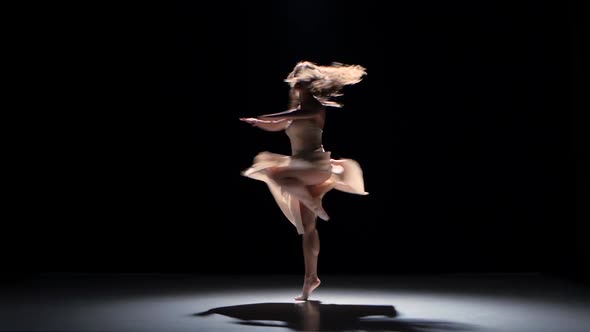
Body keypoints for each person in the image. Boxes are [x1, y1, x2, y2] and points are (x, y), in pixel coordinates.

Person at [240, 61, 368, 301]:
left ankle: (313, 202)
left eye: (300, 82)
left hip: (315, 165)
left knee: (275, 173)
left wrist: (266, 115)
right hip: (300, 167)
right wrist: (260, 123)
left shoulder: (316, 108)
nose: (296, 86)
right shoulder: (297, 108)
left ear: (309, 84)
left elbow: (292, 115)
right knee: (308, 228)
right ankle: (311, 279)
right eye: (296, 82)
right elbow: (280, 124)